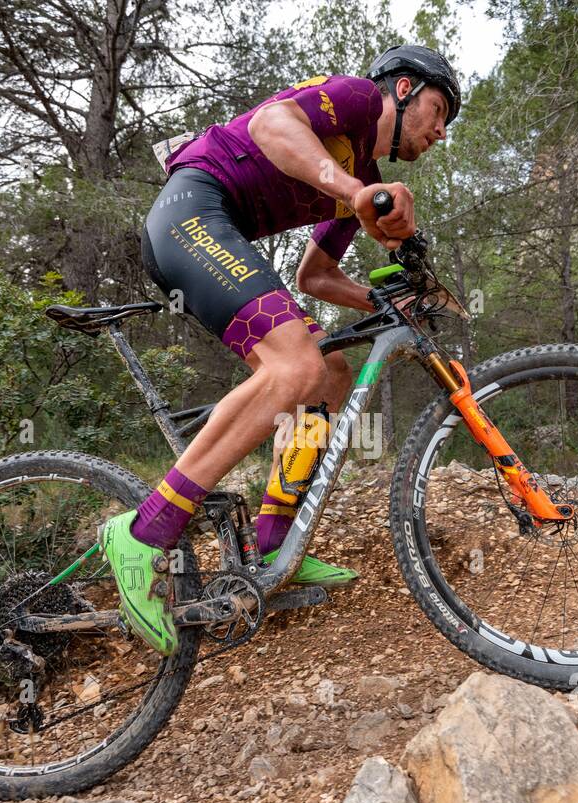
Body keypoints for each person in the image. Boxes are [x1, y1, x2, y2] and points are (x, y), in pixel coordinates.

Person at [102, 45, 462, 654]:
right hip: (191, 210)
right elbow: (272, 124)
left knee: (331, 373)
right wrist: (352, 190)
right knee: (295, 366)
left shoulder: (366, 180)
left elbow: (316, 276)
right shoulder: (353, 98)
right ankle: (144, 532)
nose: (440, 131)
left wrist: (382, 304)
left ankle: (271, 542)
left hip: (216, 229)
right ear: (401, 90)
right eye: (437, 109)